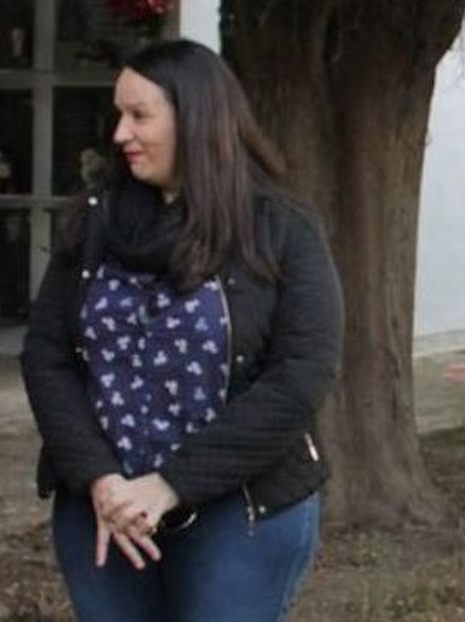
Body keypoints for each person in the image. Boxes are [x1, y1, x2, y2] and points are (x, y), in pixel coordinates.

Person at [20, 39, 343, 622]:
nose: (120, 134)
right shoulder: (95, 220)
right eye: (119, 114)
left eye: (140, 115)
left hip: (240, 511)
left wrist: (168, 484)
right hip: (106, 509)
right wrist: (100, 478)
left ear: (197, 120)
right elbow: (47, 356)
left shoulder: (282, 230)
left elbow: (300, 377)